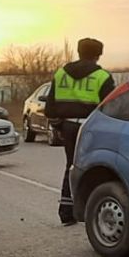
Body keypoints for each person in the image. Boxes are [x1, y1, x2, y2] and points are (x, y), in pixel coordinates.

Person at [47, 38, 115, 226]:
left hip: (67, 126)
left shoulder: (61, 74)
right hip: (92, 127)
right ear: (98, 55)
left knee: (71, 165)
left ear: (78, 51)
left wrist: (58, 127)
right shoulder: (102, 76)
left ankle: (66, 211)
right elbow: (111, 106)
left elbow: (50, 107)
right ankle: (92, 210)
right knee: (98, 167)